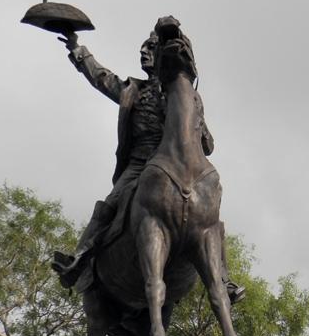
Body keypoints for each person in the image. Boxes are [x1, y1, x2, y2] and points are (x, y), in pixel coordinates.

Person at [52, 22, 244, 303]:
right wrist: (77, 49)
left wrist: (195, 121)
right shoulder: (133, 90)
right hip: (141, 164)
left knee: (211, 217)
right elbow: (101, 78)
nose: (143, 52)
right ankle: (79, 259)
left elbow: (208, 144)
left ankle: (223, 280)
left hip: (178, 164)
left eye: (150, 48)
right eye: (141, 48)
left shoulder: (186, 93)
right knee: (111, 203)